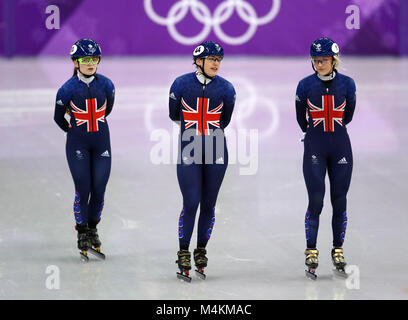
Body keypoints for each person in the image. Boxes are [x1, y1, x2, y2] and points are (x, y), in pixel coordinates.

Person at [169, 41, 236, 281]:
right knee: (191, 201)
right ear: (199, 61)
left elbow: (225, 120)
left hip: (216, 147)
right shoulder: (181, 84)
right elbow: (173, 113)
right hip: (190, 146)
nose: (216, 63)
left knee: (209, 203)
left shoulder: (227, 89)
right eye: (212, 59)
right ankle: (184, 251)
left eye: (219, 60)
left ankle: (201, 250)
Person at [295, 37, 356, 279]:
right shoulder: (304, 85)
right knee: (317, 199)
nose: (319, 64)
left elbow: (348, 115)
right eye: (315, 60)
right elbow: (301, 119)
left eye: (324, 60)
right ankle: (311, 249)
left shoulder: (348, 84)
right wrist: (313, 135)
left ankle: (337, 249)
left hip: (340, 146)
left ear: (334, 60)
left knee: (339, 200)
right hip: (315, 147)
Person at [54, 38, 115, 261]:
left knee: (99, 188)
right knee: (84, 187)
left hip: (101, 143)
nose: (91, 63)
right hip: (77, 143)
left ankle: (92, 229)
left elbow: (108, 109)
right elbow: (58, 118)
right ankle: (82, 232)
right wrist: (73, 131)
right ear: (75, 62)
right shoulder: (66, 89)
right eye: (85, 59)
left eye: (94, 59)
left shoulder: (107, 85)